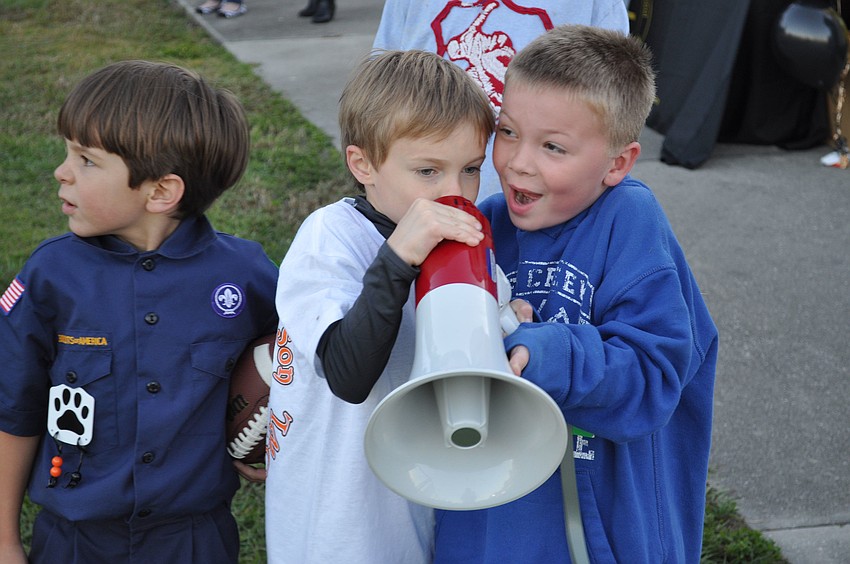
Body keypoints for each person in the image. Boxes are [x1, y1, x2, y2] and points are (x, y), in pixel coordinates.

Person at [433, 25, 719, 563]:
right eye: (509, 132)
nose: (518, 161)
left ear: (617, 163)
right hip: (501, 517)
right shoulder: (488, 225)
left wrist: (550, 352)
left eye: (553, 147)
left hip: (602, 528)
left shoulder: (630, 220)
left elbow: (656, 373)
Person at [0, 60, 278, 564]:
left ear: (160, 192)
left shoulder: (246, 278)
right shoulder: (51, 277)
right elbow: (13, 410)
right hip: (75, 543)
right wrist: (3, 542)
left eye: (86, 160)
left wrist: (273, 434)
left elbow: (300, 369)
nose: (61, 171)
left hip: (195, 542)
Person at [263, 49, 495, 563]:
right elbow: (348, 374)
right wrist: (400, 259)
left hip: (410, 510)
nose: (455, 193)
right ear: (363, 164)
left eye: (472, 170)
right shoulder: (330, 238)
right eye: (428, 171)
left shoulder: (468, 248)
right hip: (333, 526)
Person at [372, 0, 630, 201]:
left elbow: (610, 118)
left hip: (546, 214)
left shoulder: (596, 6)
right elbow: (380, 100)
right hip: (423, 209)